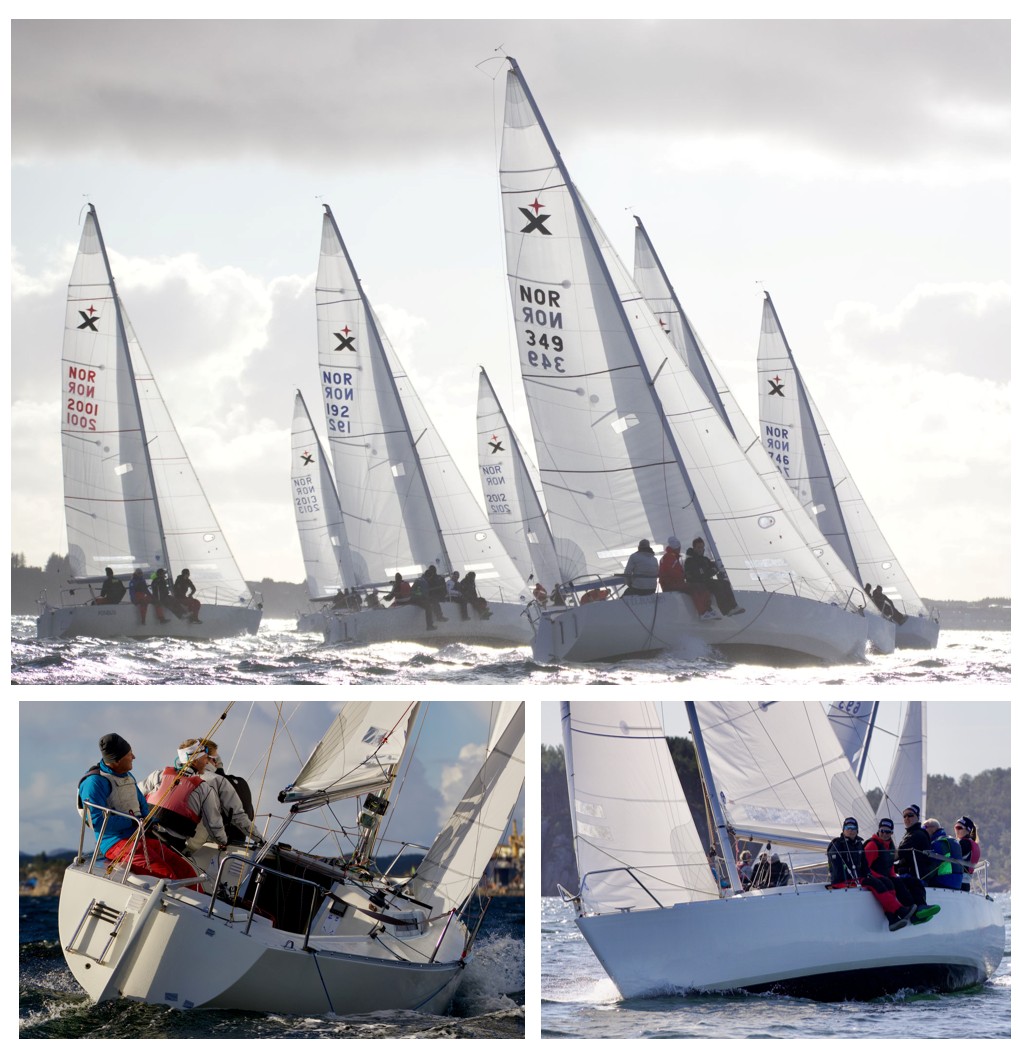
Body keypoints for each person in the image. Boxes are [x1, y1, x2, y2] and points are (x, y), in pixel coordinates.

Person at [77, 733, 199, 884]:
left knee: (186, 871)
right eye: (129, 754)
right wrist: (133, 822)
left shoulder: (127, 776)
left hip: (140, 838)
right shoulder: (94, 782)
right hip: (117, 844)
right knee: (167, 877)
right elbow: (97, 822)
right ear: (117, 760)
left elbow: (141, 804)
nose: (134, 757)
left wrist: (149, 821)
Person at [139, 741, 229, 855]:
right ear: (195, 760)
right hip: (171, 845)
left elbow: (135, 793)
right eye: (205, 758)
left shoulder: (158, 774)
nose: (207, 762)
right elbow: (214, 825)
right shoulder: (204, 789)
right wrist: (222, 841)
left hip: (142, 834)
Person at [827, 816, 915, 931]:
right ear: (843, 830)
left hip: (857, 879)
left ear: (857, 830)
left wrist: (867, 874)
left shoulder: (858, 843)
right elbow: (837, 868)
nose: (851, 830)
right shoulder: (837, 845)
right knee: (875, 884)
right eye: (848, 828)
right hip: (843, 881)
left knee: (887, 882)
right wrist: (852, 879)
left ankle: (892, 918)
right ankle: (899, 910)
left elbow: (864, 864)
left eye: (853, 828)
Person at [183, 739, 258, 849]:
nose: (217, 763)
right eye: (215, 759)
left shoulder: (180, 778)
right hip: (208, 847)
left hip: (185, 843)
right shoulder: (221, 781)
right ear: (207, 759)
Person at [864, 818, 939, 924]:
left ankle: (921, 907)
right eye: (882, 831)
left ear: (892, 833)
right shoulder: (872, 845)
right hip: (875, 877)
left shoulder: (890, 845)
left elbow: (890, 866)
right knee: (896, 883)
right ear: (879, 830)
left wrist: (894, 876)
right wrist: (882, 877)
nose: (884, 834)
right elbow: (864, 867)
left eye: (888, 832)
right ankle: (912, 914)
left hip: (887, 876)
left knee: (914, 881)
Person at [658, 536, 715, 619]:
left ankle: (708, 610)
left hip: (671, 584)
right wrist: (683, 575)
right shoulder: (670, 557)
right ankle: (703, 612)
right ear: (677, 547)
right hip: (671, 585)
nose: (679, 549)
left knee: (699, 586)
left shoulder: (669, 557)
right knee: (695, 588)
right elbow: (672, 572)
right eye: (679, 547)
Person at [684, 538, 744, 616]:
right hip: (698, 583)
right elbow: (700, 574)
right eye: (698, 547)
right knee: (717, 585)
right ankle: (726, 610)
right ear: (694, 548)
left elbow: (712, 567)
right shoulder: (690, 561)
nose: (700, 549)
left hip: (706, 581)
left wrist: (714, 569)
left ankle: (734, 606)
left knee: (725, 583)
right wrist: (711, 571)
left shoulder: (704, 559)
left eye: (702, 547)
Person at [894, 804, 934, 881]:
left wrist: (882, 859)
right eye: (904, 816)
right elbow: (903, 859)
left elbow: (898, 854)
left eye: (910, 815)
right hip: (910, 874)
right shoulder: (911, 833)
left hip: (914, 878)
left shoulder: (917, 835)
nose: (907, 818)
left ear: (917, 817)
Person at [924, 819, 963, 889]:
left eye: (925, 827)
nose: (923, 830)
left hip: (943, 881)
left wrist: (922, 878)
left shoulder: (938, 843)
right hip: (958, 883)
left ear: (933, 828)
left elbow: (933, 865)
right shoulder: (952, 840)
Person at [411, 566, 448, 630]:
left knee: (434, 600)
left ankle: (439, 617)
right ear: (429, 576)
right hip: (417, 599)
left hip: (415, 597)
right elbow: (424, 594)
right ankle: (430, 625)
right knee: (429, 607)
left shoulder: (420, 579)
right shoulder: (424, 582)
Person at [954, 816, 981, 892]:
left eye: (959, 828)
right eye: (955, 827)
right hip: (966, 883)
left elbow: (952, 856)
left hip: (958, 882)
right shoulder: (973, 843)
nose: (956, 830)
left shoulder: (964, 843)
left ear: (967, 830)